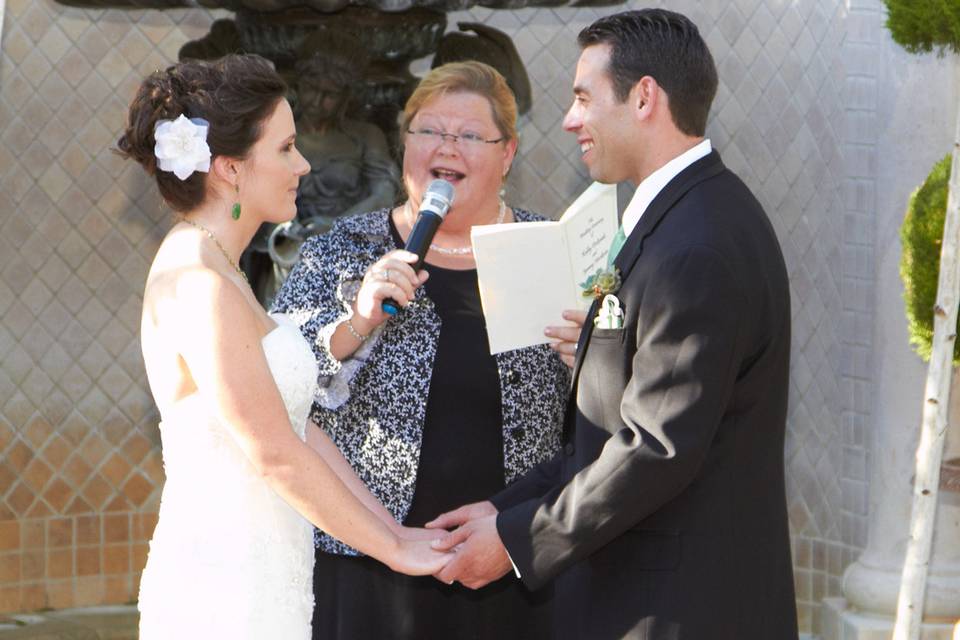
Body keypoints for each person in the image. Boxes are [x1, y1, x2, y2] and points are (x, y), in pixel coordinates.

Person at [429, 10, 799, 639]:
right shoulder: (686, 214)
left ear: (645, 96)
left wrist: (517, 540)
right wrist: (499, 509)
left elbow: (656, 449)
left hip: (674, 607)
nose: (572, 120)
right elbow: (613, 427)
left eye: (582, 97)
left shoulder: (695, 246)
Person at [118, 55, 449, 640]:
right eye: (285, 148)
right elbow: (273, 453)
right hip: (226, 587)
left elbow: (297, 427)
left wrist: (396, 532)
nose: (303, 164)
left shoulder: (220, 264)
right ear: (229, 169)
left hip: (269, 573)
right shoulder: (199, 281)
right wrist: (394, 553)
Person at [271, 61, 570, 640]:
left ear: (507, 154)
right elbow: (283, 388)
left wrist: (588, 357)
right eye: (428, 130)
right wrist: (356, 319)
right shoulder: (343, 249)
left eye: (467, 136)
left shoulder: (548, 251)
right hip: (372, 566)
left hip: (511, 561)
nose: (444, 147)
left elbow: (597, 409)